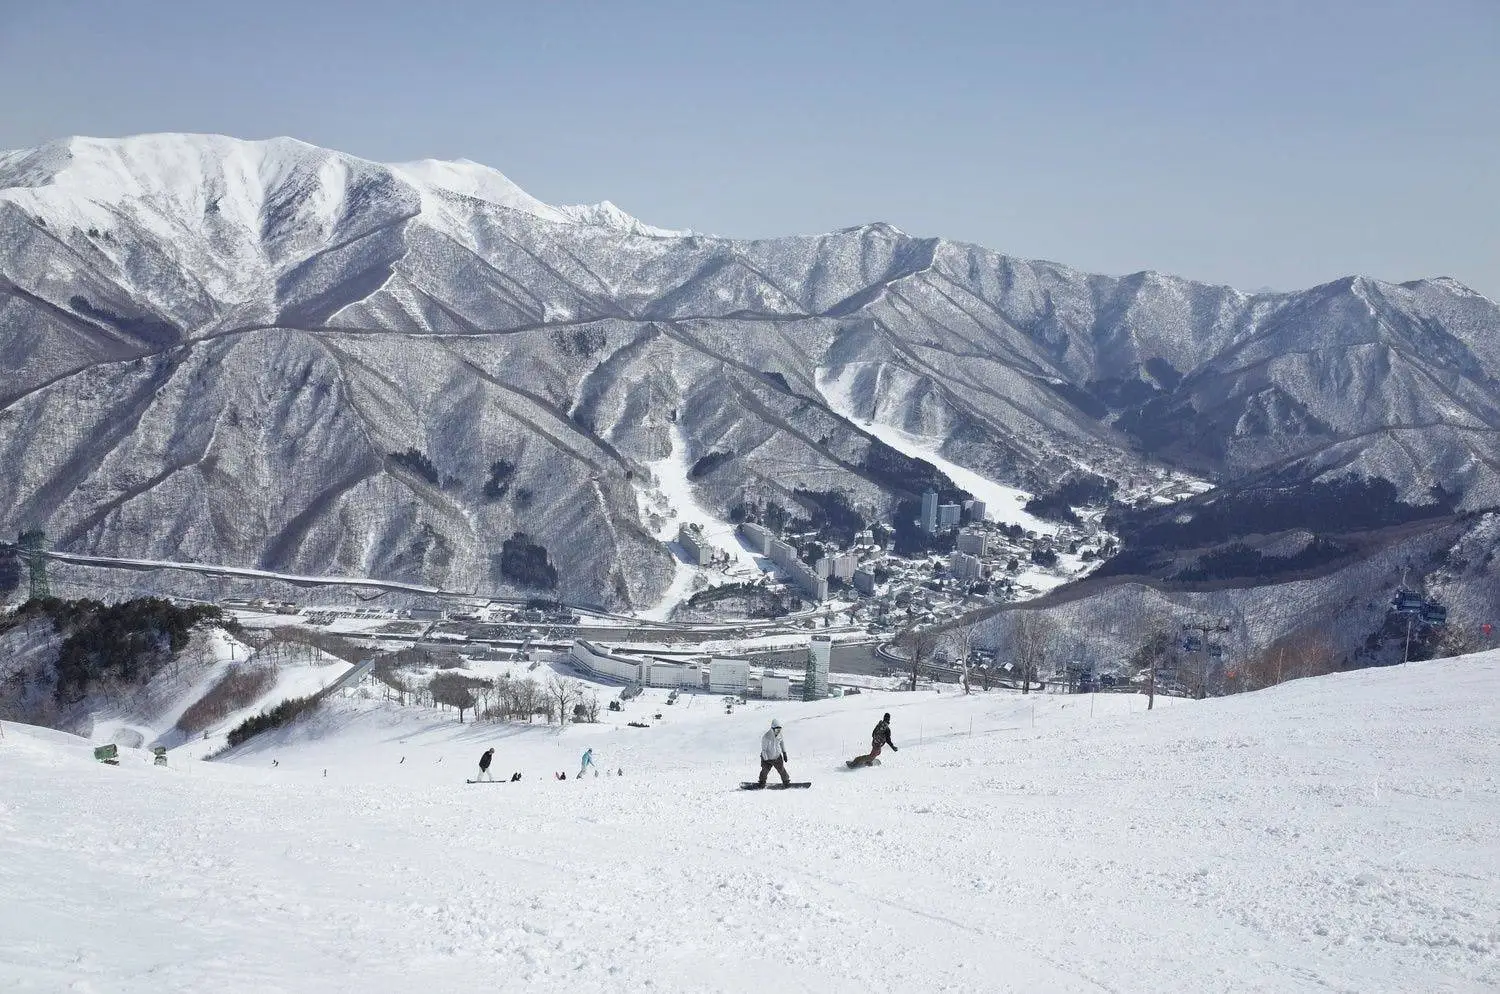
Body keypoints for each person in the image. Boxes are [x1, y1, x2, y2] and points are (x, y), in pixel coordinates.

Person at [757, 718, 791, 787]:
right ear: (772, 728)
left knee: (781, 770)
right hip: (767, 758)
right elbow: (764, 750)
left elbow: (782, 743)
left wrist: (784, 753)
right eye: (776, 729)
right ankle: (762, 782)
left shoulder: (780, 735)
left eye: (779, 729)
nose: (778, 731)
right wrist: (766, 759)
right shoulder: (766, 737)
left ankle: (786, 781)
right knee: (764, 771)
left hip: (777, 757)